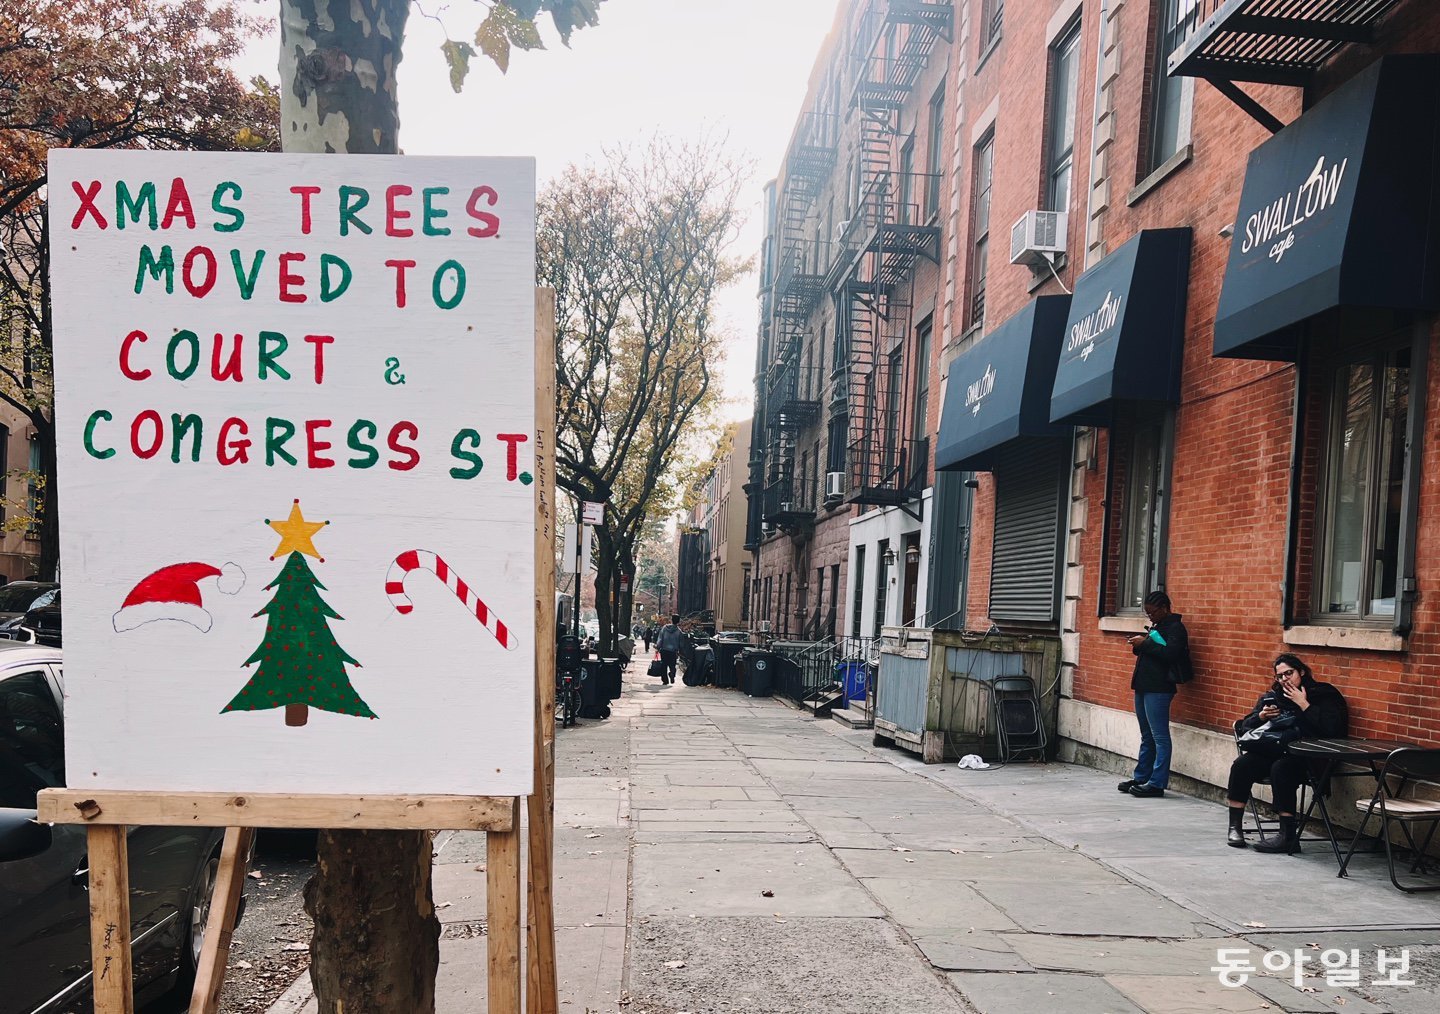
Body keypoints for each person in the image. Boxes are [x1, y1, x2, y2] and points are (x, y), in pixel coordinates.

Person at [1225, 653, 1348, 853]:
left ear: (1301, 671)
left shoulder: (1322, 694)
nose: (1284, 679)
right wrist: (1262, 716)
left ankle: (1288, 835)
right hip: (1274, 750)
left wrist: (1304, 705)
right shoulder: (1273, 697)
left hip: (1308, 757)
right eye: (1280, 676)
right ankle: (1235, 827)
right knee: (1242, 765)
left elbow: (1332, 729)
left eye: (1288, 673)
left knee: (1281, 768)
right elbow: (1245, 727)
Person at [1118, 591, 1192, 799]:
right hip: (1143, 685)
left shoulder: (1176, 628)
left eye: (1152, 612)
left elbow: (1171, 654)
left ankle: (1157, 782)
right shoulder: (1157, 626)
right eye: (1147, 613)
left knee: (1160, 736)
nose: (1149, 616)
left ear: (1164, 608)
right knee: (1147, 735)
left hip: (1160, 687)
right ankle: (1142, 777)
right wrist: (1138, 644)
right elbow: (1149, 652)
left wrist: (1146, 643)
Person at [654, 614, 684, 686]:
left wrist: (658, 647)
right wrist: (680, 651)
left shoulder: (664, 628)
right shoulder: (679, 631)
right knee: (672, 665)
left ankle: (665, 680)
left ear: (671, 620)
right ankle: (672, 674)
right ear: (678, 621)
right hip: (673, 651)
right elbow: (681, 643)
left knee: (664, 665)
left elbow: (660, 638)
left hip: (664, 650)